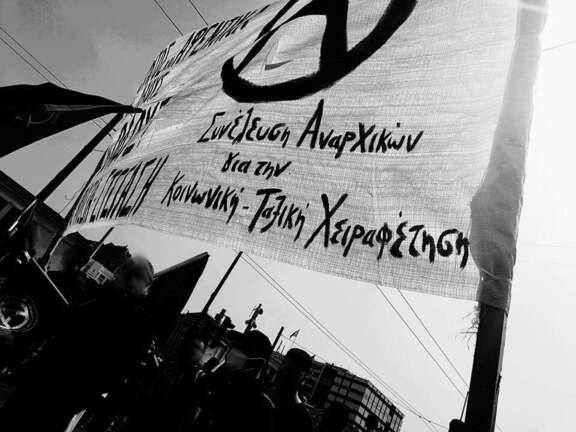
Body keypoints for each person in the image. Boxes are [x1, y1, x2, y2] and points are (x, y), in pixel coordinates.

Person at [0, 255, 155, 432]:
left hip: (58, 391)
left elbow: (114, 373)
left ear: (134, 282)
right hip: (51, 386)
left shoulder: (131, 321)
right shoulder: (106, 301)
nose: (118, 270)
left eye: (125, 268)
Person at [189, 330, 275, 432]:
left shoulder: (260, 404)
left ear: (258, 361)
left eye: (243, 348)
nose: (232, 350)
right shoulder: (223, 383)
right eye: (235, 346)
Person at [271, 348, 315, 432]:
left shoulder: (303, 419)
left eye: (292, 372)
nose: (284, 375)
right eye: (282, 370)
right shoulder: (304, 419)